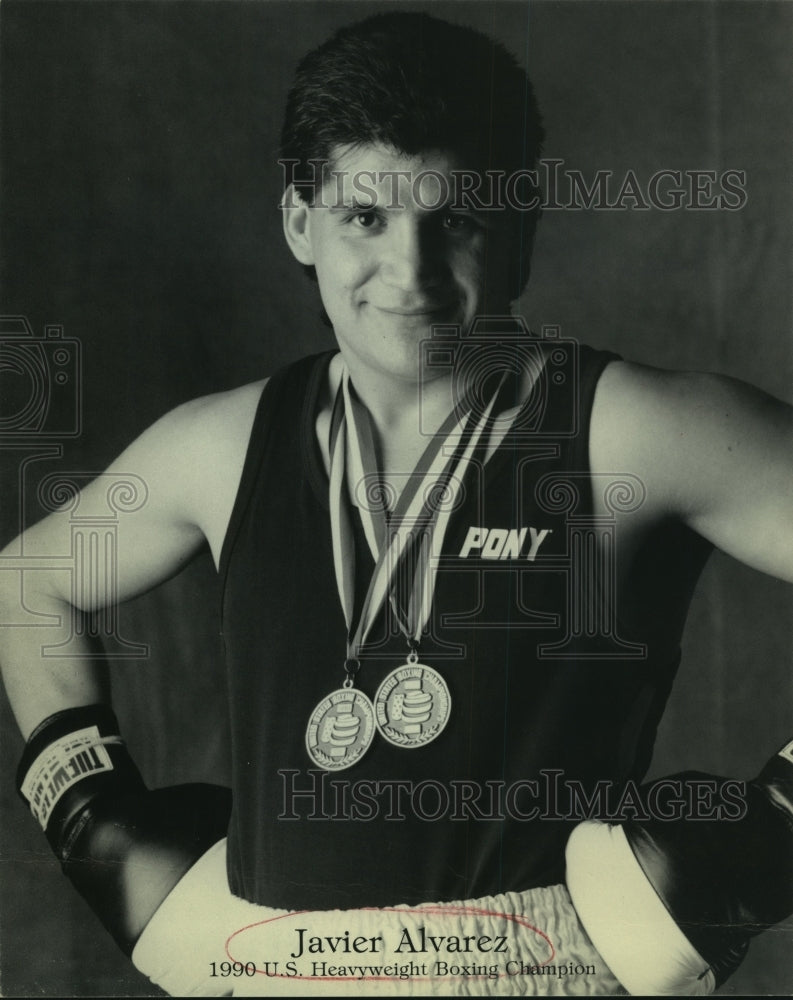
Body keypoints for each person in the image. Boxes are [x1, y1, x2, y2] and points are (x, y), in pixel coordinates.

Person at [1, 9, 792, 998]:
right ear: (299, 220)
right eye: (365, 219)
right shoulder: (219, 446)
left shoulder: (632, 429)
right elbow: (28, 584)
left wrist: (777, 827)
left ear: (518, 226)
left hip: (543, 966)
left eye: (453, 219)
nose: (409, 275)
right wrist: (87, 812)